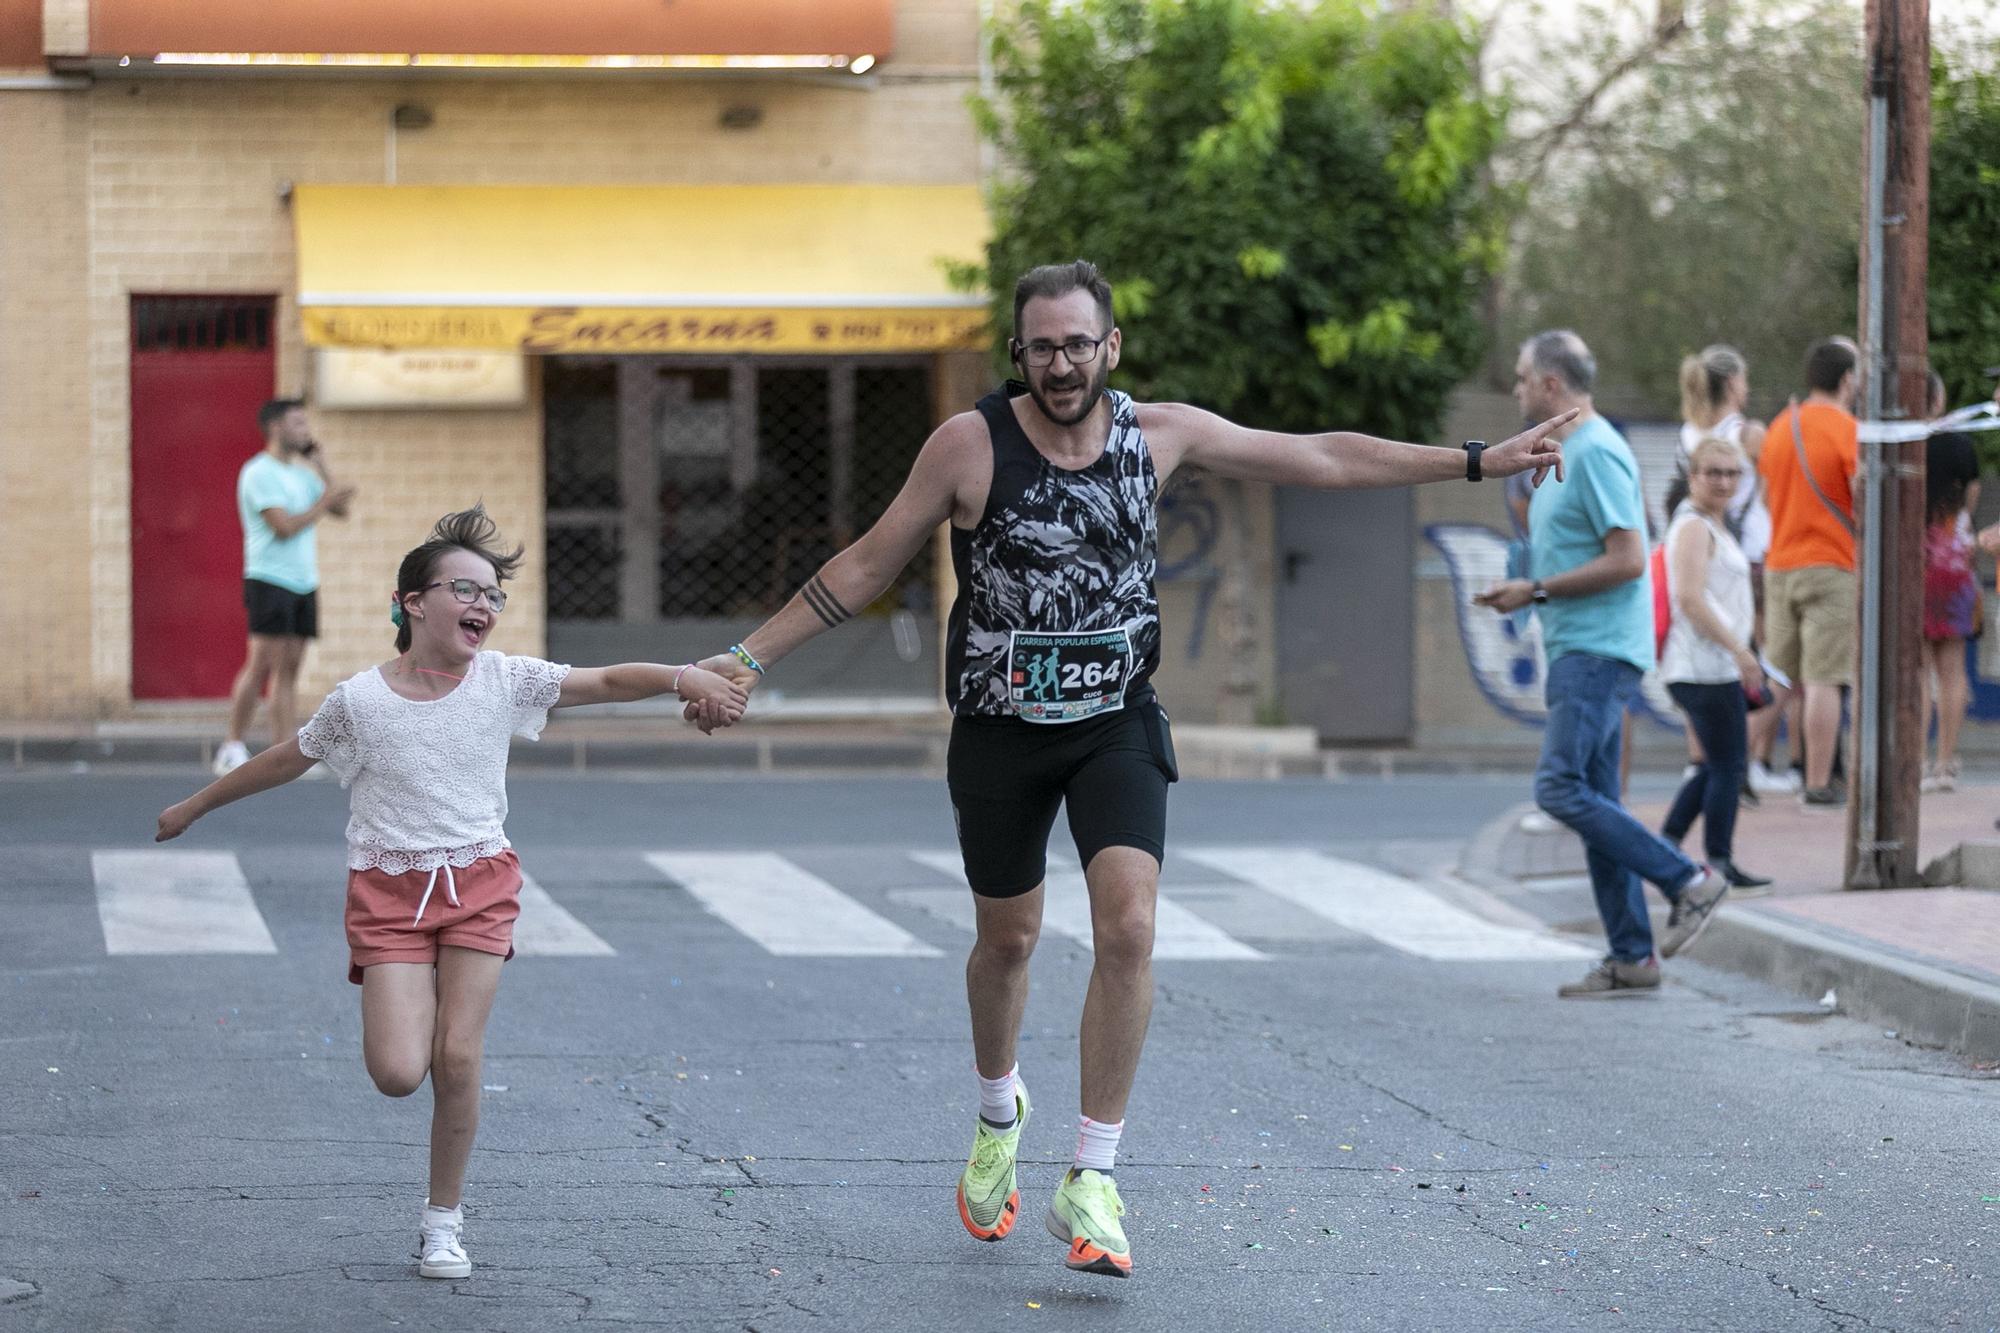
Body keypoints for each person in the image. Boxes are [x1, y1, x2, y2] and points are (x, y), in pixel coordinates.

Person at [682, 260, 1570, 1278]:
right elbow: (869, 560)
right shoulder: (969, 445)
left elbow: (1316, 456)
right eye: (1042, 346)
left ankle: (1092, 1175)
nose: (1061, 364)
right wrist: (746, 661)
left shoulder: (1159, 435)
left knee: (1130, 925)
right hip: (999, 731)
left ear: (1110, 347)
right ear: (1019, 354)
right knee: (1005, 942)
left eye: (1078, 344)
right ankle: (993, 1111)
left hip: (1114, 720)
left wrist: (1472, 460)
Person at [154, 506, 747, 1280]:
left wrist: (682, 675)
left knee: (458, 1056)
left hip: (479, 882)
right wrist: (195, 805)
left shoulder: (505, 681)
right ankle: (417, 1019)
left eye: (494, 596)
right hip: (389, 889)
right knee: (400, 1070)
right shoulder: (359, 701)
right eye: (467, 589)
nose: (485, 606)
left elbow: (602, 679)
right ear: (413, 602)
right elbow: (283, 759)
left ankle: (443, 1220)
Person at [1476, 329, 1728, 1000]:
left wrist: (1533, 590)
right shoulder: (1567, 451)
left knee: (1558, 789)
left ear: (1553, 384)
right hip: (1574, 646)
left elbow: (1626, 558)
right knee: (1595, 801)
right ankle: (1632, 955)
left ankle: (1689, 880)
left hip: (1597, 650)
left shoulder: (1601, 451)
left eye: (1525, 376)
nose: (1518, 388)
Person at [214, 399, 357, 776]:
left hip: (303, 581)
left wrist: (321, 463)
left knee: (291, 669)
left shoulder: (302, 475)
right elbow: (284, 526)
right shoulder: (258, 472)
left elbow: (341, 509)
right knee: (261, 663)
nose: (305, 430)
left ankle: (284, 752)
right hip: (269, 579)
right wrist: (325, 502)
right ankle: (231, 745)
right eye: (297, 423)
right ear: (276, 427)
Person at [1676, 346, 1795, 797]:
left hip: (1698, 551)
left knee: (1709, 656)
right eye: (1744, 380)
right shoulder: (1748, 433)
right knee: (1772, 663)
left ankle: (1699, 760)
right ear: (1732, 384)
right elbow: (1775, 487)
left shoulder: (1688, 433)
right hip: (1748, 556)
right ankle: (1744, 760)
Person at [1658, 438, 1773, 892]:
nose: (1724, 481)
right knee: (1729, 766)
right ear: (1694, 476)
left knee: (1713, 765)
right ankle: (1720, 862)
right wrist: (1741, 652)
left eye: (1732, 473)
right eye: (1714, 473)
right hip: (1703, 666)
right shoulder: (1694, 527)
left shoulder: (1712, 524)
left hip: (1709, 665)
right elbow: (1690, 598)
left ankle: (1666, 845)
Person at [1757, 338, 1860, 807]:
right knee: (1823, 679)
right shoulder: (1848, 429)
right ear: (1847, 380)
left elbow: (1764, 497)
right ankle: (1818, 784)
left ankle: (1744, 769)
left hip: (1780, 563)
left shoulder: (1781, 426)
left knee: (1777, 677)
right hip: (1831, 564)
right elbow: (1862, 495)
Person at [1922, 371, 1981, 792]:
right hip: (1954, 559)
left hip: (1914, 558)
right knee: (1953, 669)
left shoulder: (1898, 441)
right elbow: (1970, 501)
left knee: (1919, 669)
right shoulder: (1960, 444)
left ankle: (1918, 761)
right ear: (1939, 400)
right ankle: (1945, 763)